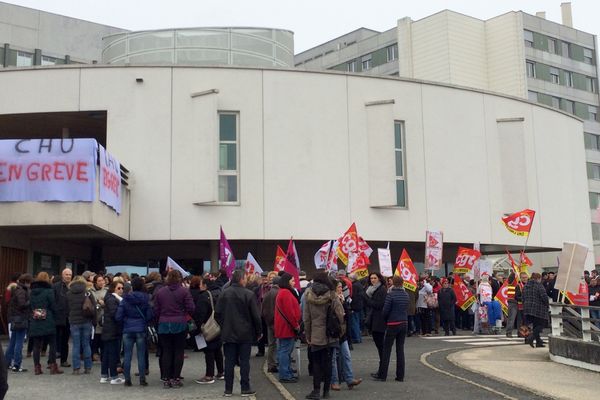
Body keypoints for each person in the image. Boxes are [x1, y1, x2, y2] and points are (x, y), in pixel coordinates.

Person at [215, 269, 262, 398]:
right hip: (245, 333)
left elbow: (217, 314)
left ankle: (228, 389)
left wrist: (224, 325)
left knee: (229, 361)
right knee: (244, 362)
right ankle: (245, 388)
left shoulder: (224, 294)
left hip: (228, 332)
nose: (246, 280)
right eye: (245, 278)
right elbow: (256, 316)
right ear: (241, 279)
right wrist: (258, 331)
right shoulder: (249, 294)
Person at [303, 271, 344, 400]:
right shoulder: (332, 295)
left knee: (316, 363)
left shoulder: (308, 295)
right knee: (328, 363)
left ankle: (315, 390)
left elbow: (306, 318)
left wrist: (308, 335)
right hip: (330, 334)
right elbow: (340, 314)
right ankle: (326, 391)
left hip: (315, 333)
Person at [153, 269, 195, 389]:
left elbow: (155, 310)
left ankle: (166, 379)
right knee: (178, 351)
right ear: (179, 278)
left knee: (166, 351)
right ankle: (176, 378)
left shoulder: (160, 292)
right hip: (180, 323)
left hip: (164, 324)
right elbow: (191, 308)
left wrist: (159, 321)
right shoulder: (184, 291)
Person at [115, 277, 153, 386]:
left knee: (127, 355)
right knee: (141, 355)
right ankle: (142, 379)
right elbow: (150, 315)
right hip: (141, 328)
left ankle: (127, 379)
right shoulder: (146, 298)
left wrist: (125, 322)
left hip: (128, 329)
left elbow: (118, 316)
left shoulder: (125, 299)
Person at [373, 275, 408, 382]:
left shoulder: (391, 295)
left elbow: (385, 310)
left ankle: (383, 375)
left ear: (393, 283)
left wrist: (386, 318)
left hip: (393, 323)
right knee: (400, 350)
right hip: (404, 322)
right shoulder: (406, 295)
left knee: (386, 350)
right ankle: (400, 376)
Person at [29, 272, 63, 375]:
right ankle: (53, 366)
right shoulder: (49, 291)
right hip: (48, 318)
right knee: (52, 343)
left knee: (36, 345)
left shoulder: (32, 291)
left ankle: (37, 368)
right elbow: (53, 305)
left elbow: (31, 305)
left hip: (35, 317)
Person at [330, 279, 362, 390]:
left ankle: (349, 379)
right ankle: (334, 381)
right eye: (338, 287)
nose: (340, 289)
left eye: (341, 287)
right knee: (333, 358)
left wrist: (345, 307)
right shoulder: (332, 299)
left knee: (346, 356)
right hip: (334, 332)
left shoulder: (343, 299)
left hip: (342, 333)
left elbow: (347, 316)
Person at [193, 276, 224, 384]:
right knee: (217, 350)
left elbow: (200, 314)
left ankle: (209, 375)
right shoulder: (218, 293)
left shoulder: (203, 297)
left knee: (209, 351)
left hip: (207, 326)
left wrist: (197, 328)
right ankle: (221, 372)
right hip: (216, 325)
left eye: (201, 284)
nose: (199, 286)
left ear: (205, 285)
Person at [274, 272, 301, 383]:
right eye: (292, 280)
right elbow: (290, 312)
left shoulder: (282, 292)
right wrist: (296, 325)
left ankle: (286, 372)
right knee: (285, 351)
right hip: (287, 327)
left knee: (284, 350)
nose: (294, 283)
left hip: (283, 327)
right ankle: (285, 374)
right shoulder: (285, 293)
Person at [67, 275, 96, 374]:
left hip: (74, 321)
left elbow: (66, 308)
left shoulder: (69, 293)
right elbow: (94, 306)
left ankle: (76, 368)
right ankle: (88, 367)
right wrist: (94, 321)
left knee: (76, 345)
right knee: (86, 344)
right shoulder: (87, 292)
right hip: (86, 321)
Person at [6, 273, 32, 372]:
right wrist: (30, 302)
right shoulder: (22, 291)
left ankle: (7, 363)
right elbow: (22, 305)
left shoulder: (16, 289)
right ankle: (17, 365)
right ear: (26, 282)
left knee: (13, 342)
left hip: (15, 319)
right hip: (21, 319)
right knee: (19, 343)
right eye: (29, 282)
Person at [100, 280, 124, 384]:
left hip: (109, 329)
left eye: (122, 288)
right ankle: (114, 376)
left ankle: (104, 375)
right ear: (113, 288)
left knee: (106, 353)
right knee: (113, 353)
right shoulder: (112, 299)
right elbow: (115, 314)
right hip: (112, 329)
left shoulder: (111, 298)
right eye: (119, 288)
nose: (121, 290)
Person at [365, 272, 387, 370]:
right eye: (371, 278)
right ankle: (382, 368)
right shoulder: (372, 290)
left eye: (375, 278)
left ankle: (382, 369)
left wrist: (365, 298)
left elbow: (378, 305)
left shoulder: (381, 289)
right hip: (374, 319)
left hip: (379, 320)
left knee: (381, 346)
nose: (372, 280)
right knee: (379, 345)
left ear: (379, 279)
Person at [523, 272, 549, 348]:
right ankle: (531, 337)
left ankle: (538, 342)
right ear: (538, 278)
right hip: (538, 308)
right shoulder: (539, 286)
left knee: (535, 325)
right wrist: (547, 305)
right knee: (541, 324)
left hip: (527, 308)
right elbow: (544, 296)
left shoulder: (526, 286)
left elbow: (523, 297)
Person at [53, 268, 72, 368]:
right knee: (54, 340)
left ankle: (64, 360)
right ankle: (51, 361)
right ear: (62, 275)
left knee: (65, 340)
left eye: (70, 274)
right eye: (66, 274)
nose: (68, 276)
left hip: (68, 318)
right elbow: (52, 300)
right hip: (57, 317)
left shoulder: (73, 287)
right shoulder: (56, 287)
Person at [262, 275, 280, 373]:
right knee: (280, 344)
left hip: (269, 322)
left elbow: (263, 309)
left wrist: (267, 320)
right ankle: (278, 363)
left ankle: (271, 364)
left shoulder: (267, 294)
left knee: (271, 344)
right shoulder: (279, 293)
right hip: (278, 321)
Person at [91, 274, 107, 362]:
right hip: (94, 317)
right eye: (99, 281)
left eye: (102, 280)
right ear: (95, 282)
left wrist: (103, 303)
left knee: (102, 337)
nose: (101, 282)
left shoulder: (106, 291)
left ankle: (102, 355)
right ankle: (94, 353)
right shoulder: (90, 291)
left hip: (103, 317)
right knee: (94, 337)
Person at [349, 273, 365, 344]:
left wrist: (352, 307)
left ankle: (356, 338)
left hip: (355, 306)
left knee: (354, 322)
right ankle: (358, 337)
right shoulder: (359, 284)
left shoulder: (354, 286)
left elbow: (354, 297)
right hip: (359, 305)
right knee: (357, 321)